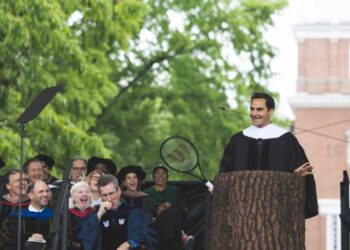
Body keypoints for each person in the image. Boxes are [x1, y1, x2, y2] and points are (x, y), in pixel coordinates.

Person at [219, 92, 318, 218]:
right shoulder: (238, 141)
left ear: (270, 111)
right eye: (252, 109)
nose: (254, 113)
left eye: (259, 109)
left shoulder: (286, 140)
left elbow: (304, 178)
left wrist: (294, 177)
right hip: (242, 213)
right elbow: (224, 175)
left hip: (275, 213)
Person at [79, 174, 156, 250]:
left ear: (118, 191)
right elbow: (84, 236)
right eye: (104, 195)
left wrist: (129, 244)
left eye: (111, 193)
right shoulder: (95, 214)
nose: (108, 199)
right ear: (100, 195)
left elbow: (145, 234)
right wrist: (99, 214)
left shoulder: (133, 212)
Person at [143, 165, 194, 250]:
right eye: (157, 174)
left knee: (171, 211)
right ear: (153, 177)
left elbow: (184, 209)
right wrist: (157, 211)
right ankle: (183, 237)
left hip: (173, 225)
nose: (160, 176)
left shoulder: (176, 191)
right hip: (156, 225)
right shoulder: (146, 193)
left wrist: (170, 206)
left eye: (163, 174)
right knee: (170, 212)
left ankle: (169, 242)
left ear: (167, 177)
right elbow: (145, 212)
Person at [1, 180, 54, 249]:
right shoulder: (16, 218)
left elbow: (62, 242)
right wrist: (29, 243)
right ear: (31, 195)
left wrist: (43, 242)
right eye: (41, 191)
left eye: (47, 191)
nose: (45, 194)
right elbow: (6, 243)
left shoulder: (55, 217)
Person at [68, 181, 95, 249]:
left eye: (87, 192)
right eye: (80, 192)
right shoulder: (67, 215)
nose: (84, 194)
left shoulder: (95, 213)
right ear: (73, 197)